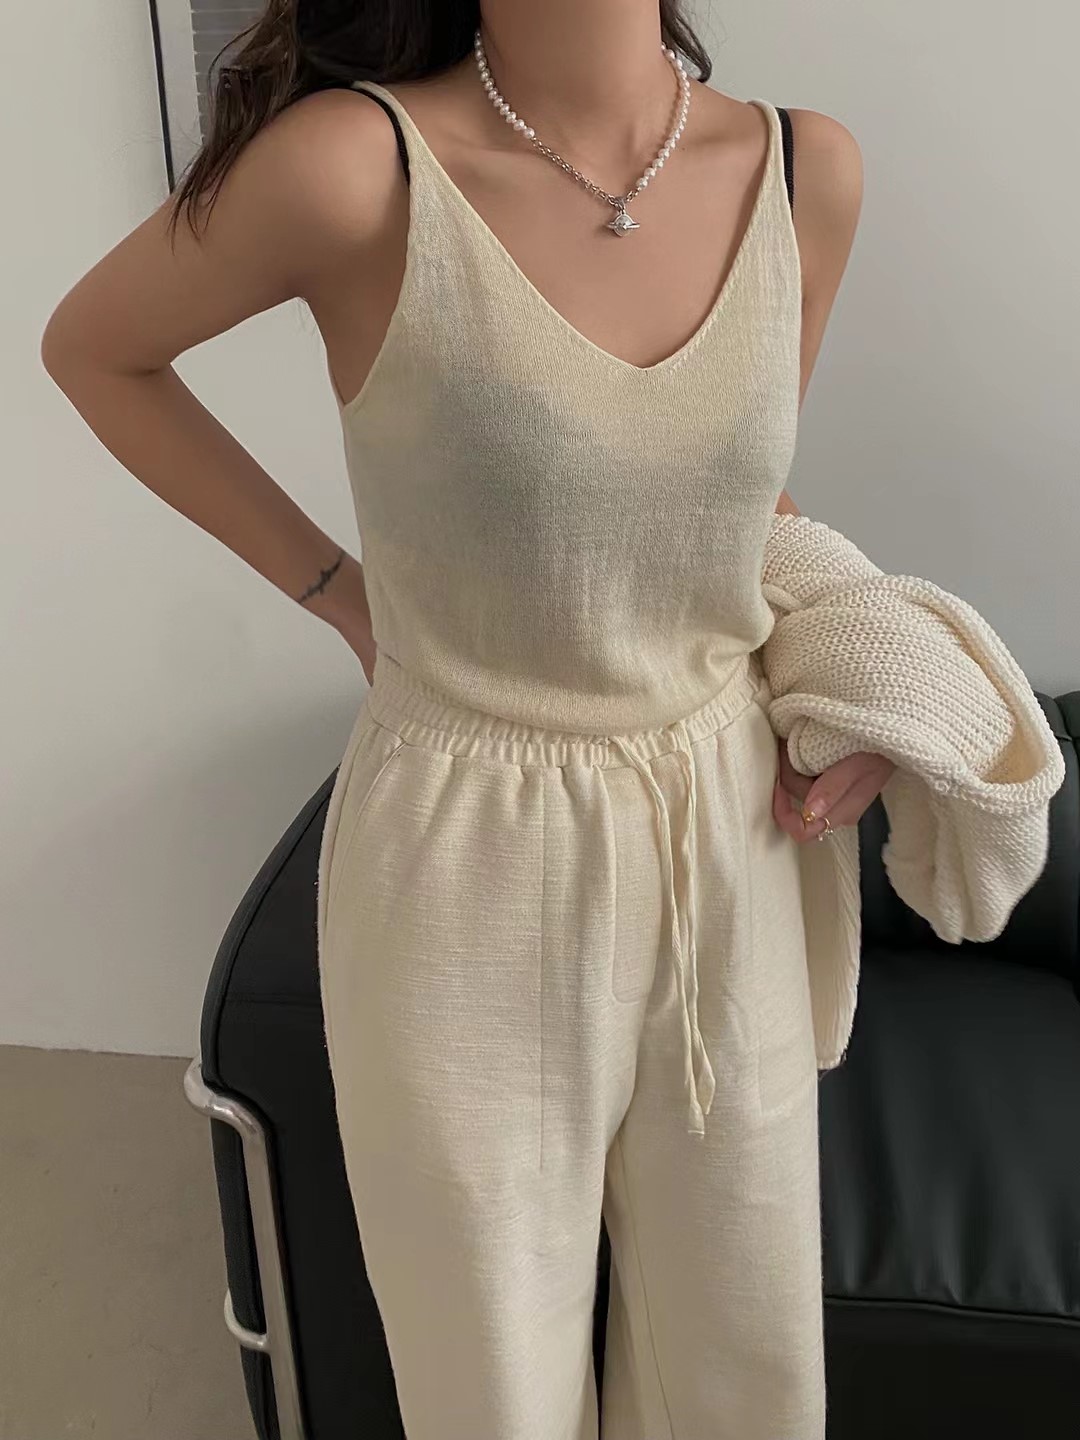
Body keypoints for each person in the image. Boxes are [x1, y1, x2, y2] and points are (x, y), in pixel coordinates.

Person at [41, 2, 889, 1435]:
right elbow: (95, 349)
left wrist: (849, 680)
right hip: (467, 855)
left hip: (728, 827)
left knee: (746, 1369)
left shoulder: (808, 170)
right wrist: (336, 589)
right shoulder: (354, 169)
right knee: (489, 1378)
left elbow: (734, 510)